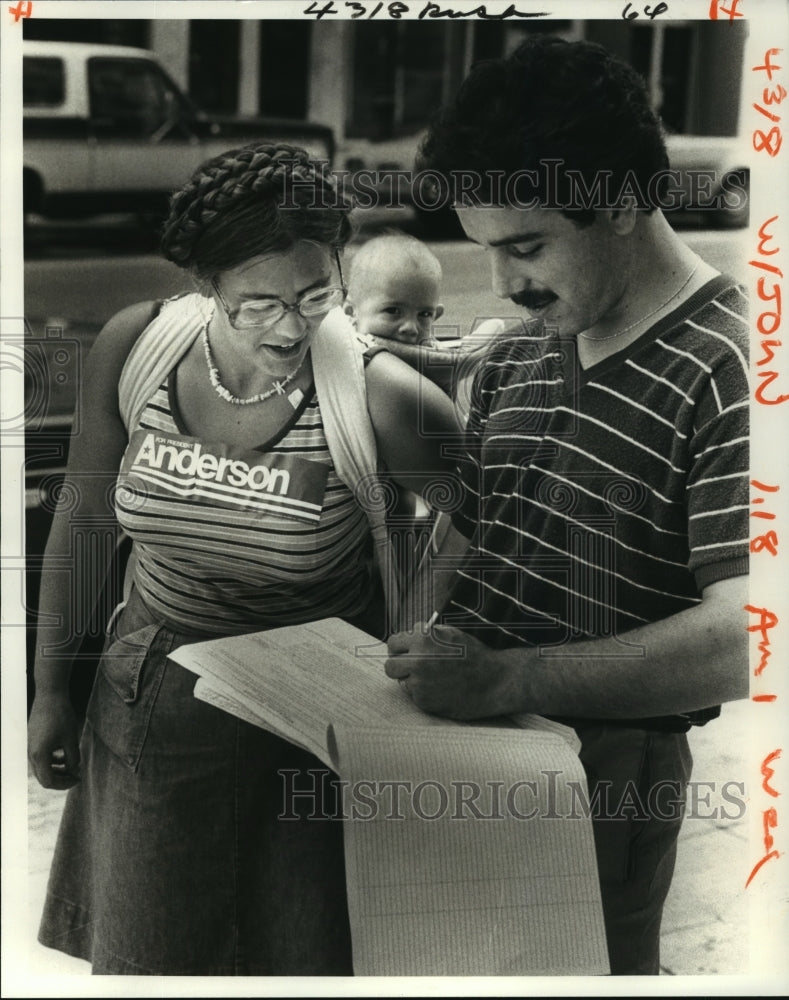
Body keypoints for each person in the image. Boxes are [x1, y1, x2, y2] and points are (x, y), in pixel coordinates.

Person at [27, 141, 458, 976]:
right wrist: (51, 688)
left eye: (314, 294)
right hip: (151, 716)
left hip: (307, 737)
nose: (292, 327)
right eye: (256, 304)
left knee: (296, 958)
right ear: (205, 288)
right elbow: (81, 521)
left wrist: (425, 621)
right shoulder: (136, 348)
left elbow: (489, 516)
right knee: (155, 957)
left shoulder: (374, 391)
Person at [384, 35, 749, 976]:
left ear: (625, 200)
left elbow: (746, 634)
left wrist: (512, 680)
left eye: (527, 247)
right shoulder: (517, 349)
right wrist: (401, 648)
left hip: (604, 779)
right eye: (486, 251)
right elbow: (466, 538)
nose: (504, 285)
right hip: (449, 755)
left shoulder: (730, 369)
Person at [343, 232, 444, 347]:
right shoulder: (345, 355)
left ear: (436, 315)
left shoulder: (430, 351)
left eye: (424, 314)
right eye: (393, 311)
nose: (410, 328)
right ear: (350, 312)